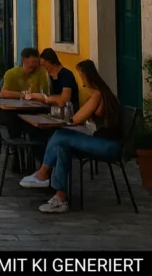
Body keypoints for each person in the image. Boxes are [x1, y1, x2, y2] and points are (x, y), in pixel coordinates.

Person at [19, 60, 124, 213]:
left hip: (109, 146)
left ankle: (43, 173)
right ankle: (60, 198)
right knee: (62, 147)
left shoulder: (97, 95)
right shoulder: (101, 94)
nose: (80, 79)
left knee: (60, 134)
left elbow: (76, 119)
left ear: (86, 76)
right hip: (103, 141)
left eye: (81, 75)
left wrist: (70, 119)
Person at [28, 48, 80, 113]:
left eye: (46, 66)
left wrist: (45, 98)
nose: (45, 69)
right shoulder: (49, 76)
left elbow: (64, 100)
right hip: (53, 110)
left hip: (67, 112)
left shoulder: (66, 75)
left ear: (53, 63)